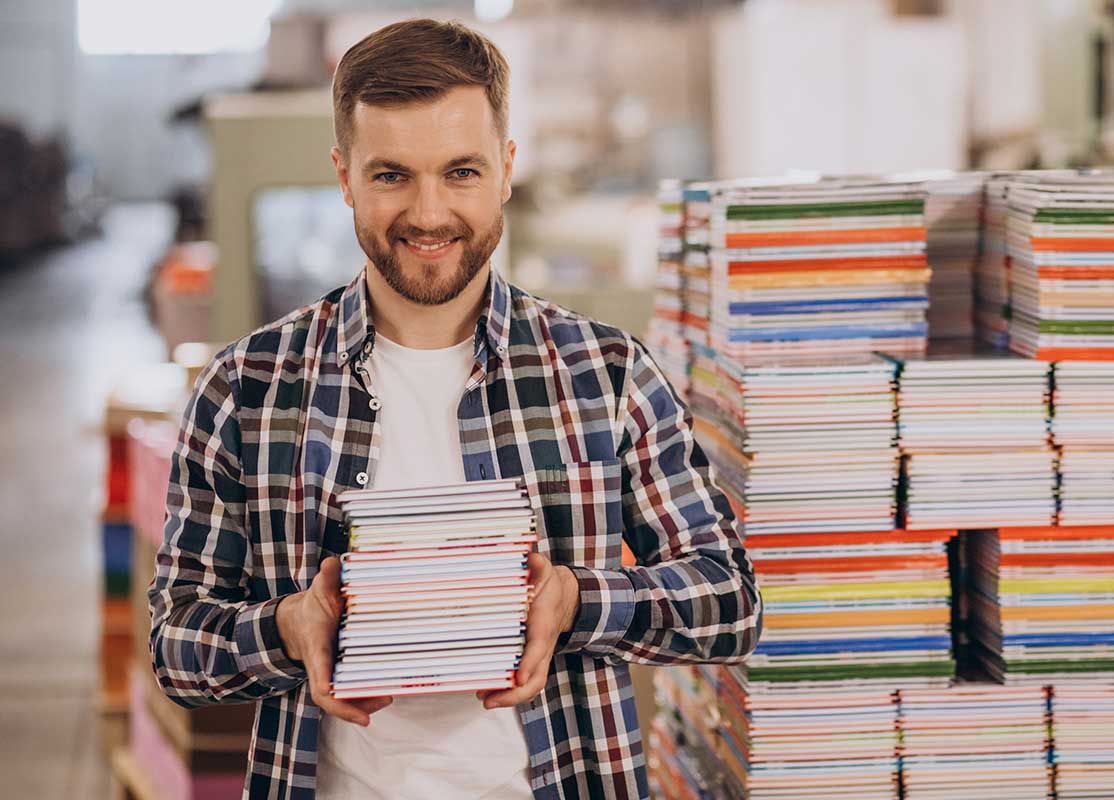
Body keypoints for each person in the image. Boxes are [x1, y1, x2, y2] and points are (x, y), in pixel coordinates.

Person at [148, 18, 761, 800]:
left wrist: (577, 600)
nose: (429, 214)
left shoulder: (605, 375)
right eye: (391, 175)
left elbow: (729, 600)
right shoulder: (248, 388)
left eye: (460, 172)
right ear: (344, 176)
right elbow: (175, 646)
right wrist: (287, 628)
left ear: (507, 168)